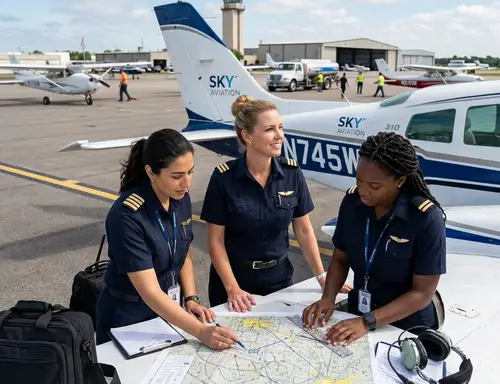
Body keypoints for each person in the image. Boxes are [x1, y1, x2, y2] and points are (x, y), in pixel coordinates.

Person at [200, 95, 351, 312]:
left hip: (278, 279)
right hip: (233, 282)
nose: (280, 136)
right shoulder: (223, 178)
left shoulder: (292, 173)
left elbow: (304, 230)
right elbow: (215, 242)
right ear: (247, 136)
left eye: (280, 127)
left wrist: (321, 275)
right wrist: (233, 289)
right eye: (270, 129)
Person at [95, 129, 239, 350]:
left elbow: (184, 254)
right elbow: (150, 291)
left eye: (190, 172)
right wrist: (201, 331)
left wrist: (191, 298)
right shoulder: (127, 216)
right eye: (177, 176)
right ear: (151, 172)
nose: (187, 182)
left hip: (169, 310)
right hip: (129, 317)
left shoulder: (180, 198)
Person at [302, 132, 446, 346]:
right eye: (359, 180)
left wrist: (367, 322)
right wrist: (328, 297)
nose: (364, 190)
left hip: (405, 326)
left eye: (375, 186)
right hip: (359, 314)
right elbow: (341, 259)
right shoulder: (352, 204)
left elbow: (422, 293)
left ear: (400, 180)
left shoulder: (425, 218)